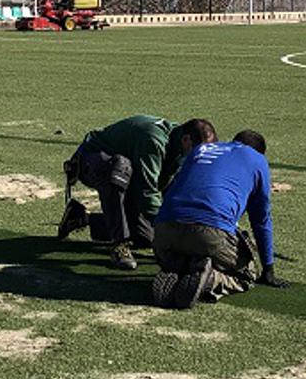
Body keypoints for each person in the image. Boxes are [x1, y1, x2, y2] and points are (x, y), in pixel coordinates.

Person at [150, 130, 287, 309]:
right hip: (209, 233)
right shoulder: (257, 159)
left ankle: (178, 265)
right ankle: (209, 280)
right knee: (246, 274)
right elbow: (261, 220)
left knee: (189, 246)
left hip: (163, 233)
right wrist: (268, 269)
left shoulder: (201, 149)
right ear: (258, 151)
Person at [58, 116, 217, 270]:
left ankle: (81, 218)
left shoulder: (180, 142)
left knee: (145, 236)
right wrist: (169, 227)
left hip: (129, 175)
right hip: (92, 161)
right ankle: (119, 244)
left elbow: (170, 187)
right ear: (187, 140)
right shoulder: (154, 140)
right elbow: (146, 190)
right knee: (120, 168)